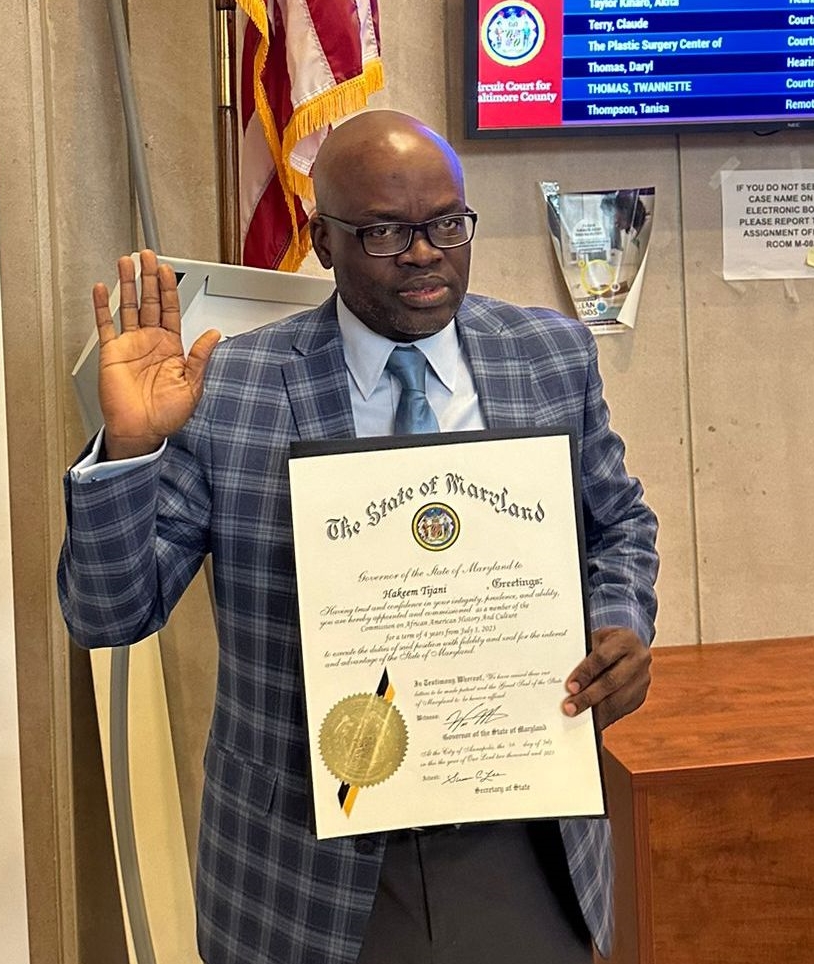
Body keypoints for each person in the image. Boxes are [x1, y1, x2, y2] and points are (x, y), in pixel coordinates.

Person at [58, 110, 658, 964]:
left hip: (522, 836)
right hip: (308, 869)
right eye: (384, 231)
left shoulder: (548, 354)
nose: (424, 253)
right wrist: (129, 450)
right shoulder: (232, 385)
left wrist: (623, 623)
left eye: (446, 224)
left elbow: (619, 522)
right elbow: (108, 614)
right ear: (324, 239)